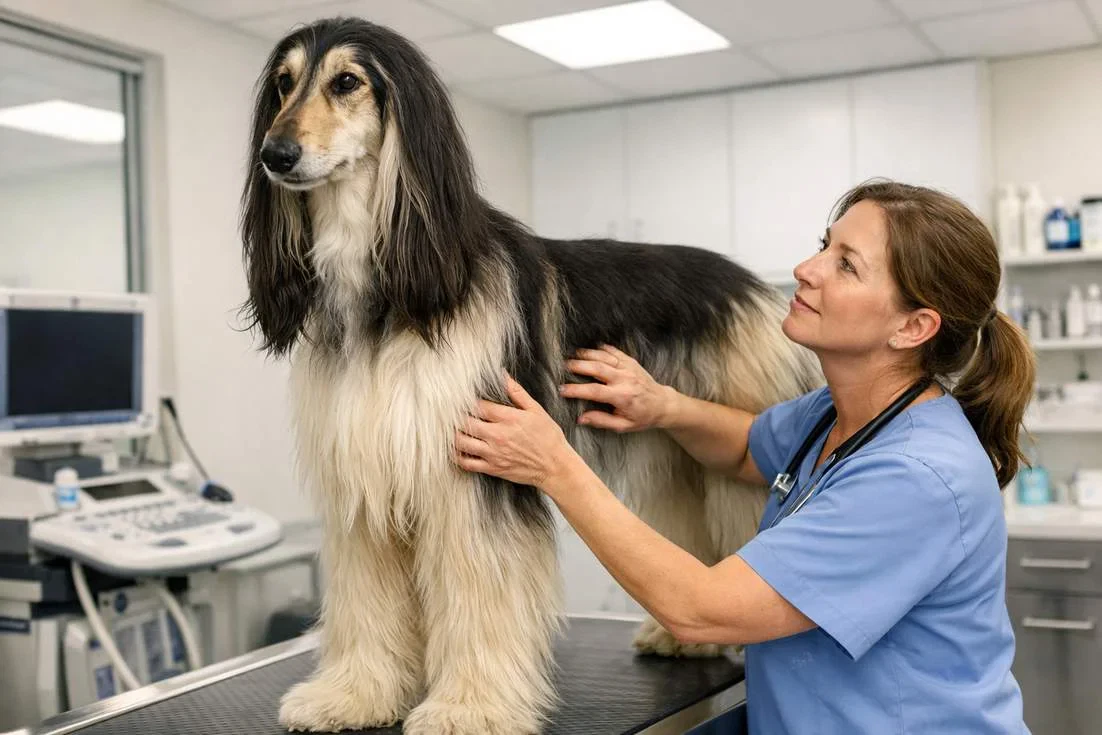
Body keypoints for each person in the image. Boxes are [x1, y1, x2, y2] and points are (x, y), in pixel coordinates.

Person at [453, 180, 1034, 734]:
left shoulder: (916, 479)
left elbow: (699, 611)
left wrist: (555, 465)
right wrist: (663, 406)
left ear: (913, 327)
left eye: (846, 265)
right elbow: (744, 448)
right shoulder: (834, 415)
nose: (807, 271)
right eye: (823, 247)